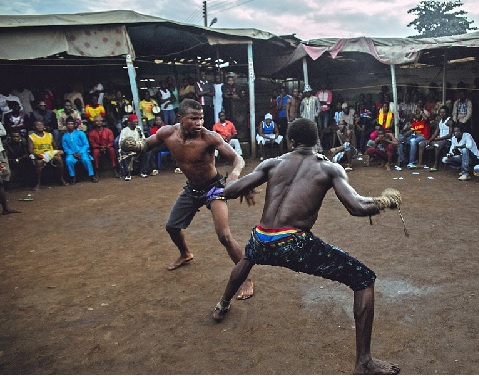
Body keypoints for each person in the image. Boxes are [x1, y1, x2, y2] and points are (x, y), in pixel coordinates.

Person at [211, 118, 402, 375]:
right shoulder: (329, 168)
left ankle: (222, 306)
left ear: (291, 141)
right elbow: (356, 207)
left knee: (247, 258)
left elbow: (231, 191)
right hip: (293, 244)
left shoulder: (273, 163)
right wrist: (385, 201)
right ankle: (364, 362)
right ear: (317, 141)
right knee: (364, 279)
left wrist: (235, 175)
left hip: (262, 237)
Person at [123, 99, 254, 299]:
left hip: (214, 188)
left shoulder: (209, 137)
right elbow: (146, 145)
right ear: (180, 118)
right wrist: (132, 147)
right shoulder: (167, 133)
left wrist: (234, 176)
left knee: (224, 236)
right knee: (172, 227)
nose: (199, 122)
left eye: (201, 118)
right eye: (193, 118)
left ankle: (245, 278)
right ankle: (185, 254)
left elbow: (238, 159)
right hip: (192, 189)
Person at [28, 120, 67, 191]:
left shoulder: (49, 135)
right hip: (40, 155)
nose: (40, 126)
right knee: (39, 162)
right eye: (38, 125)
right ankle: (38, 183)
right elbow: (30, 150)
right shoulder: (31, 137)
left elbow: (55, 146)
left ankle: (61, 179)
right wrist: (37, 155)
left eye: (41, 125)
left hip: (50, 154)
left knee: (59, 159)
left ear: (44, 126)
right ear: (34, 127)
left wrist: (56, 152)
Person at [61, 117, 98, 184]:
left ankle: (92, 175)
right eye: (68, 124)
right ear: (66, 125)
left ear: (74, 125)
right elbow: (65, 148)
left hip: (82, 152)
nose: (70, 125)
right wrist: (72, 153)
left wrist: (81, 152)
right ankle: (72, 177)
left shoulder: (80, 133)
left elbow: (86, 144)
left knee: (86, 160)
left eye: (71, 124)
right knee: (68, 160)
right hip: (71, 154)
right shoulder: (64, 136)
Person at [418, 105, 454, 171]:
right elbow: (435, 133)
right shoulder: (440, 121)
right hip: (439, 139)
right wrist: (429, 140)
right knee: (422, 144)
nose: (442, 114)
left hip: (446, 140)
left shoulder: (450, 121)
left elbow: (450, 135)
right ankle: (420, 163)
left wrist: (439, 139)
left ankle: (436, 165)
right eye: (441, 112)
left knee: (437, 145)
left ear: (447, 113)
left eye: (444, 112)